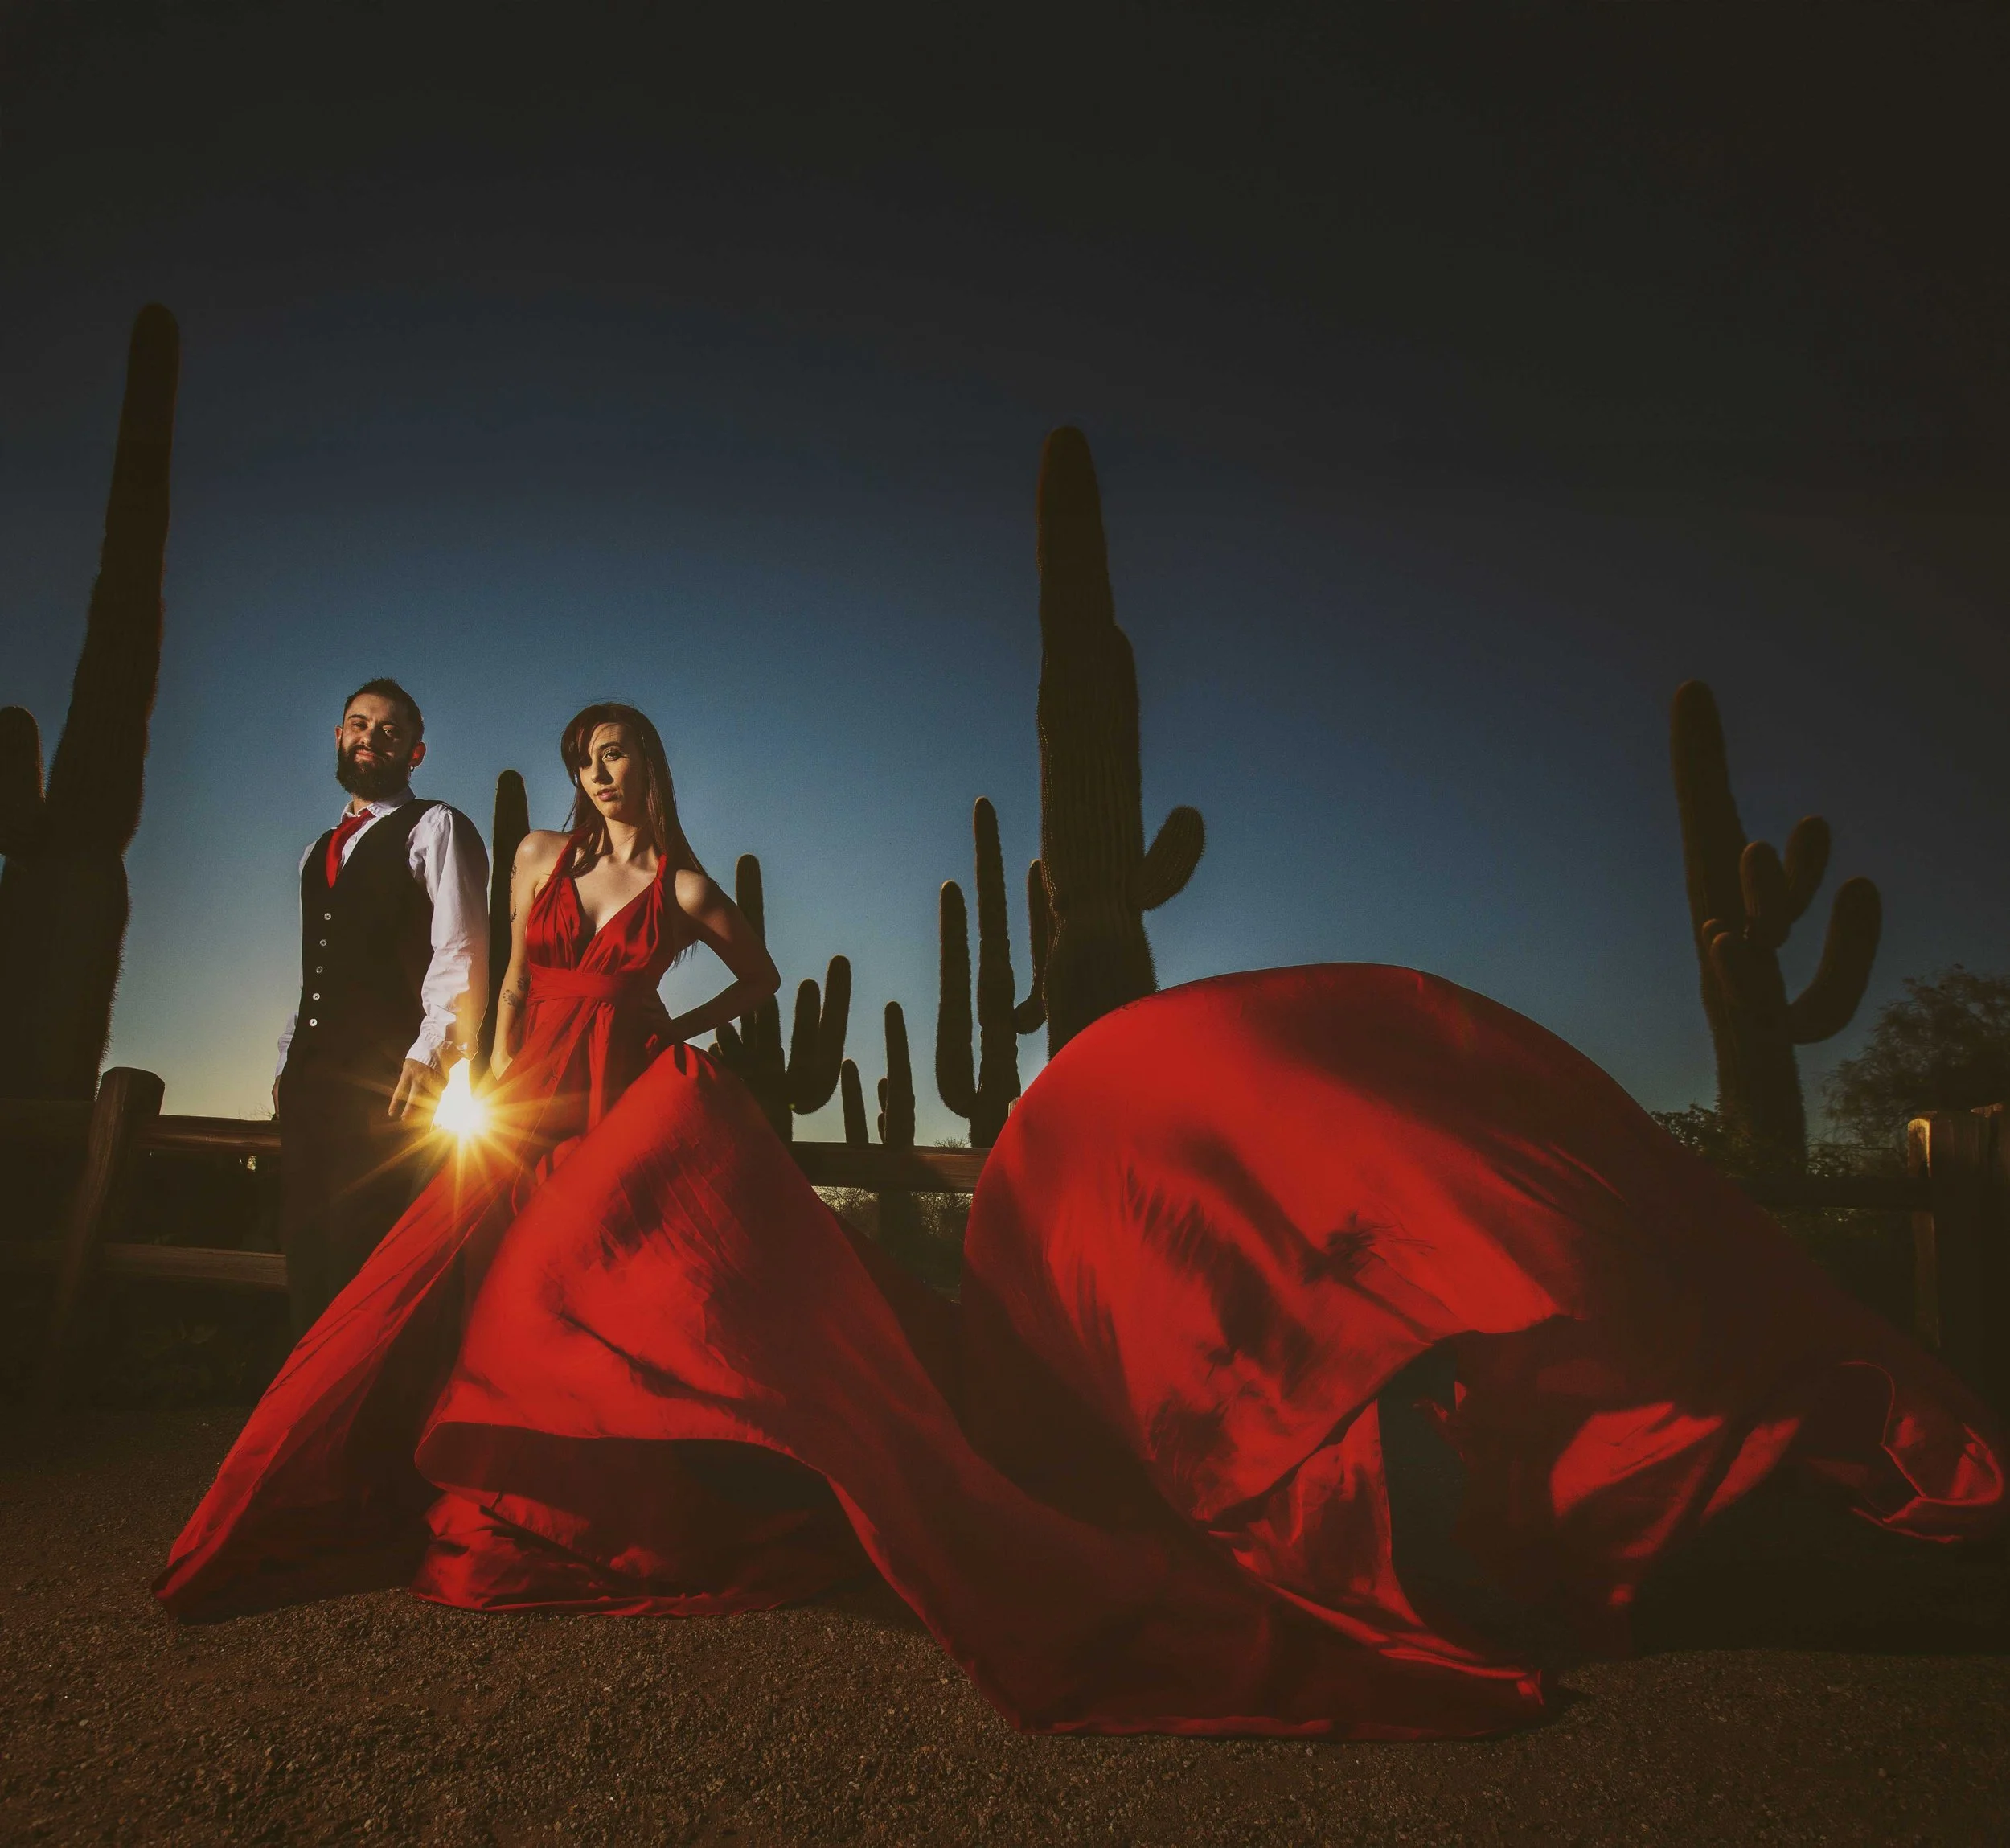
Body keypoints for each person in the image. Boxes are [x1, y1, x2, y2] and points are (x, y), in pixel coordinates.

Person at [158, 705, 2008, 1740]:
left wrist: (676, 1040)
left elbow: (760, 975)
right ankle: (475, 1466)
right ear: (563, 777)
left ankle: (639, 1491)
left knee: (643, 1311)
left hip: (634, 1091)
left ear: (655, 771)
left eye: (626, 758)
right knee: (493, 1296)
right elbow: (483, 1011)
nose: (603, 780)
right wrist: (472, 1074)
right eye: (586, 760)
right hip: (525, 1093)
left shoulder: (689, 881)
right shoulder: (547, 865)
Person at [275, 678, 489, 1336]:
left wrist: (432, 1051)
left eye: (389, 730)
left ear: (415, 753)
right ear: (339, 736)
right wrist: (288, 1061)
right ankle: (306, 1427)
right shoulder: (317, 851)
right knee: (307, 1258)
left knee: (367, 1259)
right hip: (310, 1081)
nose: (371, 737)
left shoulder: (435, 826)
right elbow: (318, 969)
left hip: (391, 1080)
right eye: (359, 724)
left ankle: (374, 1428)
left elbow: (461, 946)